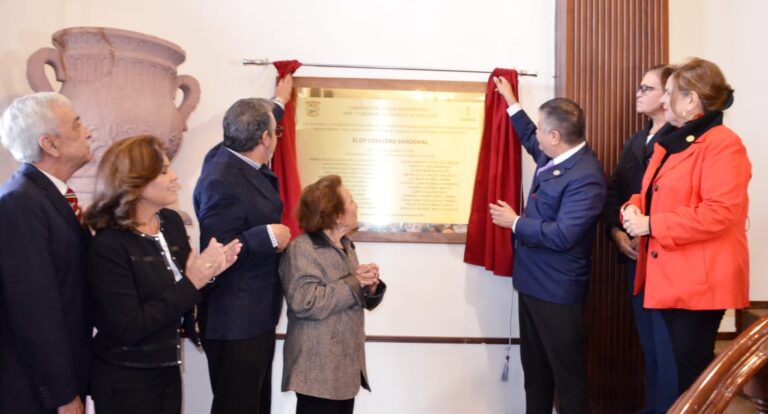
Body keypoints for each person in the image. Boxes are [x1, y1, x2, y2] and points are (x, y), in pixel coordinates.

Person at [622, 58, 751, 397]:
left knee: (691, 378)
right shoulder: (677, 140)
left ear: (691, 99)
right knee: (680, 375)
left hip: (699, 281)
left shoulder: (723, 143)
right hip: (672, 276)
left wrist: (650, 223)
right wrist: (631, 208)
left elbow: (720, 212)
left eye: (668, 93)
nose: (663, 101)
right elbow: (650, 192)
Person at [84, 135, 241, 414]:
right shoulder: (109, 245)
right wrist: (194, 280)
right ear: (137, 182)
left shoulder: (170, 222)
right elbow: (129, 327)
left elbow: (185, 294)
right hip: (126, 380)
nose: (174, 177)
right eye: (164, 170)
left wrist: (211, 272)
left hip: (167, 368)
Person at [490, 78, 607, 414]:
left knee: (567, 379)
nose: (537, 135)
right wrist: (512, 102)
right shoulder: (556, 154)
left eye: (543, 129)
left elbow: (563, 235)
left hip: (556, 291)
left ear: (555, 137)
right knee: (536, 374)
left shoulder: (586, 175)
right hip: (531, 284)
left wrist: (514, 222)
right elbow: (529, 136)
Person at [193, 96, 291, 413]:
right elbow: (218, 250)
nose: (277, 137)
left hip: (255, 316)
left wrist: (278, 101)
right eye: (275, 131)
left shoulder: (228, 156)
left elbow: (256, 117)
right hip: (235, 320)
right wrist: (266, 236)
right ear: (264, 138)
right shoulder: (220, 177)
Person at [0, 92, 92, 414]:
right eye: (77, 125)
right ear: (50, 144)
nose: (88, 132)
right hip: (35, 392)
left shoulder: (47, 194)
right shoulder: (19, 202)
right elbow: (35, 311)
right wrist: (63, 395)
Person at [604, 65, 678, 413]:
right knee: (648, 346)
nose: (638, 93)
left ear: (668, 96)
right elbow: (617, 191)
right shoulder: (636, 140)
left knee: (669, 350)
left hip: (668, 259)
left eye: (646, 88)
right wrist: (617, 232)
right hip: (635, 257)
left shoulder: (681, 141)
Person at [279, 175, 385, 414]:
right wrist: (354, 281)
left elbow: (349, 296)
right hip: (317, 369)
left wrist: (369, 287)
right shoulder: (302, 249)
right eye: (351, 201)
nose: (356, 206)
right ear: (335, 215)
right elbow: (305, 302)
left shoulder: (346, 245)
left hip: (344, 367)